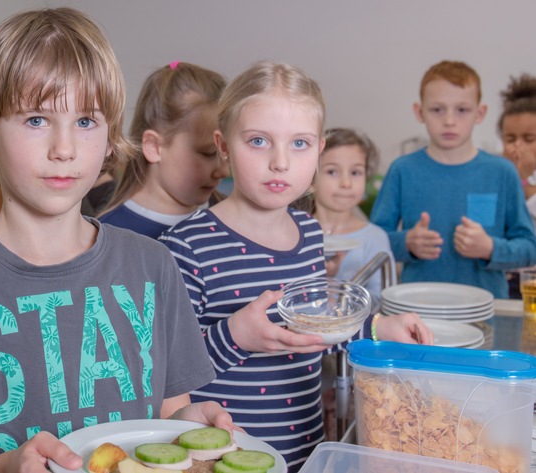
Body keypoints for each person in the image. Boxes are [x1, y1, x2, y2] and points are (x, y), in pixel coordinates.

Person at [0, 8, 235, 471]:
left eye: (86, 121)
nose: (64, 149)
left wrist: (190, 425)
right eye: (36, 120)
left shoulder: (153, 266)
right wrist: (7, 467)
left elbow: (164, 417)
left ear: (109, 139)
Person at [159, 61, 433, 472]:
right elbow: (164, 373)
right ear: (223, 146)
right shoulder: (185, 247)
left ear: (319, 150)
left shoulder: (309, 232)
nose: (280, 162)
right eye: (258, 141)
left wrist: (376, 328)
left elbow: (314, 325)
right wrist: (235, 335)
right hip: (226, 455)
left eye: (299, 144)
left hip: (307, 448)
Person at [370, 60, 536, 298]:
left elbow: (529, 248)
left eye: (462, 110)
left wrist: (490, 248)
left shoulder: (502, 172)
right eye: (437, 109)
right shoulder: (402, 170)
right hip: (417, 309)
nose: (449, 120)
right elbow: (372, 242)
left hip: (486, 312)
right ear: (420, 112)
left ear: (480, 113)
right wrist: (406, 243)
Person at [99, 61, 229, 238]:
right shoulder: (109, 236)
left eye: (226, 153)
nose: (223, 171)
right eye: (208, 153)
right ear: (154, 147)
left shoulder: (232, 218)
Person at [312, 128, 397, 309]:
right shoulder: (293, 233)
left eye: (355, 173)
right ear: (310, 177)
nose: (346, 183)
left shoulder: (374, 237)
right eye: (332, 172)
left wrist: (336, 292)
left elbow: (383, 301)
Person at [498, 74, 536, 298]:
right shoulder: (497, 172)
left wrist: (525, 181)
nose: (517, 147)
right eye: (510, 139)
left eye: (529, 139)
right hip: (505, 281)